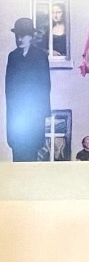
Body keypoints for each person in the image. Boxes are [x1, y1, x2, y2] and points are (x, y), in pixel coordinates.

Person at [5, 17, 51, 161]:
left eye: (23, 35)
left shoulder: (40, 57)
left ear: (30, 36)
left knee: (31, 156)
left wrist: (44, 115)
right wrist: (11, 114)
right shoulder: (12, 57)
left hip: (34, 116)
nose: (19, 39)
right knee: (18, 154)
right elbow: (9, 88)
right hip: (17, 117)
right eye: (17, 36)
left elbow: (45, 86)